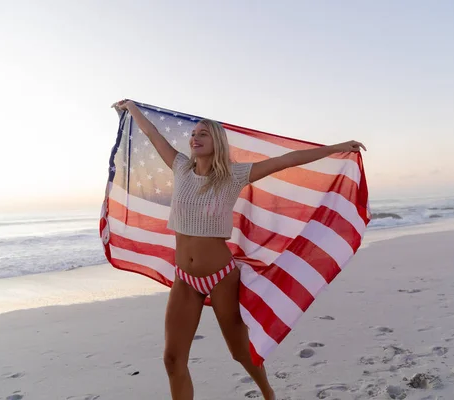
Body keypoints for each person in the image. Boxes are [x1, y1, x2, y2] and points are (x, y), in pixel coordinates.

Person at [112, 99, 366, 400]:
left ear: (216, 141)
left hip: (221, 276)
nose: (195, 137)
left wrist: (336, 147)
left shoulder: (233, 176)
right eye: (194, 133)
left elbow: (288, 160)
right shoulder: (180, 167)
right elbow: (153, 133)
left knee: (240, 353)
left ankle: (268, 393)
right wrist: (131, 109)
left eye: (203, 134)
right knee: (172, 359)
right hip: (185, 278)